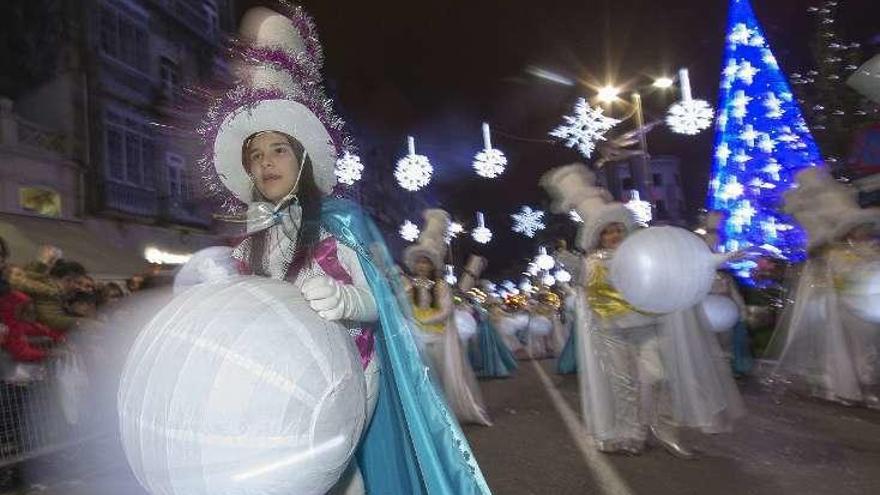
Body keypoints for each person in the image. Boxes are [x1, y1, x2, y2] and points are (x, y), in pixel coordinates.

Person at [198, 6, 491, 494]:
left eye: (278, 150)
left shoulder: (342, 221)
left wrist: (346, 300)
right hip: (284, 380)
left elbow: (383, 300)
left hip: (351, 370)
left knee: (331, 471)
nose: (266, 162)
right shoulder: (251, 242)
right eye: (255, 155)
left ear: (303, 157)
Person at [542, 164, 744, 457]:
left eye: (617, 229)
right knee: (623, 383)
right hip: (611, 330)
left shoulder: (644, 254)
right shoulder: (590, 263)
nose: (613, 235)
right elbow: (583, 287)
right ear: (598, 235)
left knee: (660, 376)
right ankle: (631, 433)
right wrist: (567, 262)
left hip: (649, 325)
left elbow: (683, 264)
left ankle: (664, 429)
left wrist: (719, 257)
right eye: (607, 231)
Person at [766, 168, 880, 407]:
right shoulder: (834, 242)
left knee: (848, 333)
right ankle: (843, 381)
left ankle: (848, 380)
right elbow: (847, 232)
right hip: (837, 282)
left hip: (839, 283)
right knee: (840, 331)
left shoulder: (808, 206)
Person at [402, 211, 492, 426]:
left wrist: (424, 321)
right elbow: (404, 306)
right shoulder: (409, 285)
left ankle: (448, 411)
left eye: (426, 263)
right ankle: (431, 413)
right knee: (425, 377)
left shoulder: (440, 286)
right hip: (417, 336)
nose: (423, 266)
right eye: (420, 263)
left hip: (438, 336)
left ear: (432, 265)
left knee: (443, 375)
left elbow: (446, 310)